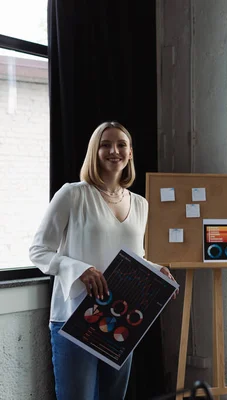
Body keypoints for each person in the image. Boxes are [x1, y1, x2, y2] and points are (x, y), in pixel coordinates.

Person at [29, 121, 177, 400]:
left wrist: (156, 271)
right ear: (94, 152)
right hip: (75, 317)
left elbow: (134, 257)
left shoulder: (140, 204)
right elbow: (39, 250)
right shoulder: (73, 194)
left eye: (121, 144)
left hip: (120, 319)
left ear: (130, 153)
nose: (114, 150)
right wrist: (80, 270)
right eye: (105, 144)